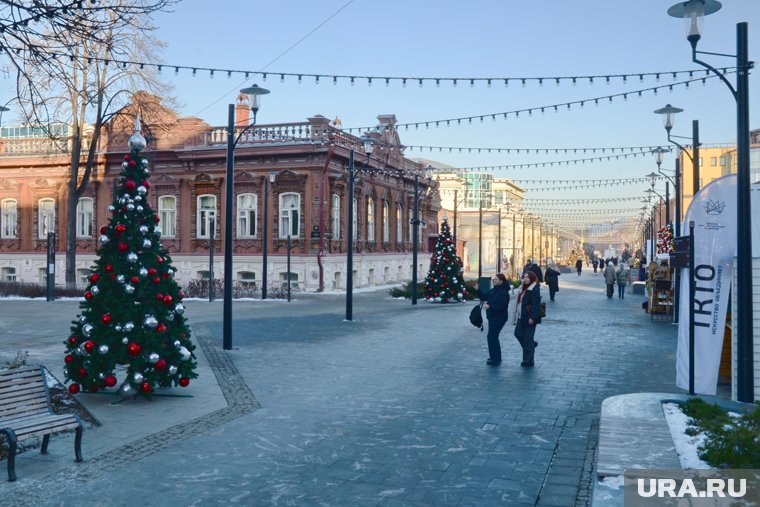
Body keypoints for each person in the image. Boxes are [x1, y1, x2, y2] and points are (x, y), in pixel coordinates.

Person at [479, 273, 511, 366]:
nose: (494, 280)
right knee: (493, 337)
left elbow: (502, 306)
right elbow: (485, 297)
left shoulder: (504, 293)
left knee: (492, 337)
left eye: (496, 279)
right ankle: (495, 357)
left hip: (499, 318)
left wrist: (490, 306)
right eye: (494, 279)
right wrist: (478, 290)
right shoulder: (493, 290)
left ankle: (495, 358)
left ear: (501, 281)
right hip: (492, 317)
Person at [514, 271, 541, 367]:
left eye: (528, 277)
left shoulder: (534, 289)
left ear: (532, 279)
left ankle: (528, 360)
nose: (525, 279)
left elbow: (536, 305)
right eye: (524, 277)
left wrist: (533, 318)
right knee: (517, 334)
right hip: (521, 317)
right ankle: (531, 345)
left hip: (529, 318)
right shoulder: (523, 288)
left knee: (527, 338)